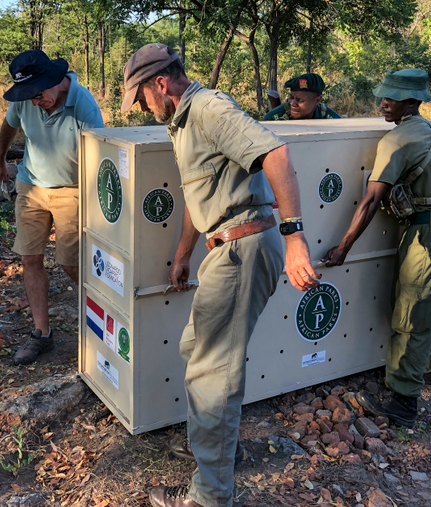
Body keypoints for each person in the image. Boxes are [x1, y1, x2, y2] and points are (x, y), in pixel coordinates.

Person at [121, 43, 319, 507]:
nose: (144, 109)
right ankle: (211, 446)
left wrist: (296, 240)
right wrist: (183, 252)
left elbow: (277, 155)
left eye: (143, 99)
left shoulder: (209, 108)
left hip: (244, 247)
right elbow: (198, 192)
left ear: (160, 84)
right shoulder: (181, 121)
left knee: (214, 374)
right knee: (198, 349)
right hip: (221, 247)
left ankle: (210, 493)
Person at [321, 69, 431, 428]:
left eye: (392, 97)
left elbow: (371, 200)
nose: (382, 102)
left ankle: (404, 402)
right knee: (418, 304)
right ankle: (428, 370)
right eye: (383, 95)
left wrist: (343, 247)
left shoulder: (397, 140)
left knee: (411, 314)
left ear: (413, 102)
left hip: (427, 233)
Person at [0, 49, 104, 365]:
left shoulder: (83, 105)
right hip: (31, 187)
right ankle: (42, 334)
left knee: (71, 262)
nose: (32, 101)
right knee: (30, 257)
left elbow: (100, 157)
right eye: (27, 95)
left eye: (38, 94)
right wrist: (1, 158)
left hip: (72, 189)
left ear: (56, 81)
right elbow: (8, 125)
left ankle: (107, 317)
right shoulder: (26, 98)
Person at [263, 73, 340, 121]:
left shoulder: (332, 121)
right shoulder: (273, 118)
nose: (292, 103)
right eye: (291, 97)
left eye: (300, 100)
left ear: (317, 100)